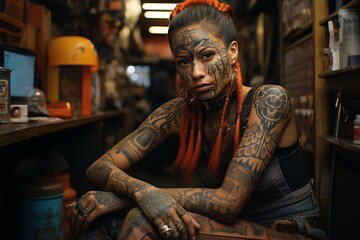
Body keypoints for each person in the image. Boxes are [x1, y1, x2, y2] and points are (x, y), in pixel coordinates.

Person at [66, 0, 327, 239]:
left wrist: (131, 198)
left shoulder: (270, 100)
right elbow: (99, 167)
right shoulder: (177, 113)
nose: (195, 73)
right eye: (183, 61)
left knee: (141, 220)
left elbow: (228, 203)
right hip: (231, 227)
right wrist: (142, 192)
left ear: (232, 51)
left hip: (290, 231)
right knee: (96, 220)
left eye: (207, 55)